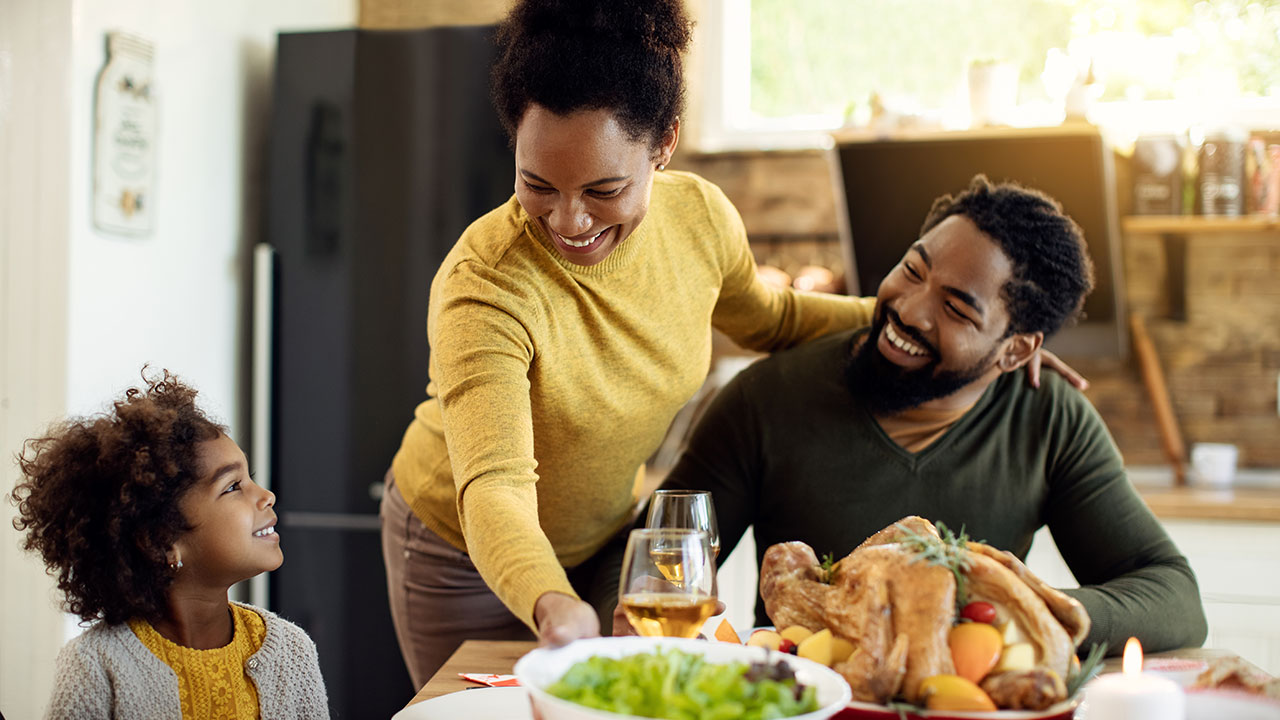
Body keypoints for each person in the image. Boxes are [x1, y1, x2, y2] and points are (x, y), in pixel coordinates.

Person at [380, 0, 1081, 687]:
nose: (569, 219)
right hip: (463, 556)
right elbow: (495, 488)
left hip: (601, 545)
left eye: (605, 188)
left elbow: (770, 319)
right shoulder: (487, 284)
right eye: (537, 184)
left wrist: (951, 334)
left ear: (665, 144)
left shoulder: (700, 218)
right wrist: (551, 601)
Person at [650, 175, 1208, 655]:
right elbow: (655, 559)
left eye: (957, 308)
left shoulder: (1048, 418)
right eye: (913, 270)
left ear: (1015, 351)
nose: (908, 309)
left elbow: (1173, 596)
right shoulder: (766, 400)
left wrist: (1009, 609)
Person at [11, 371, 329, 719]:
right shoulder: (95, 665)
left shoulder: (291, 651)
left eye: (250, 478)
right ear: (162, 542)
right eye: (233, 486)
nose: (266, 496)